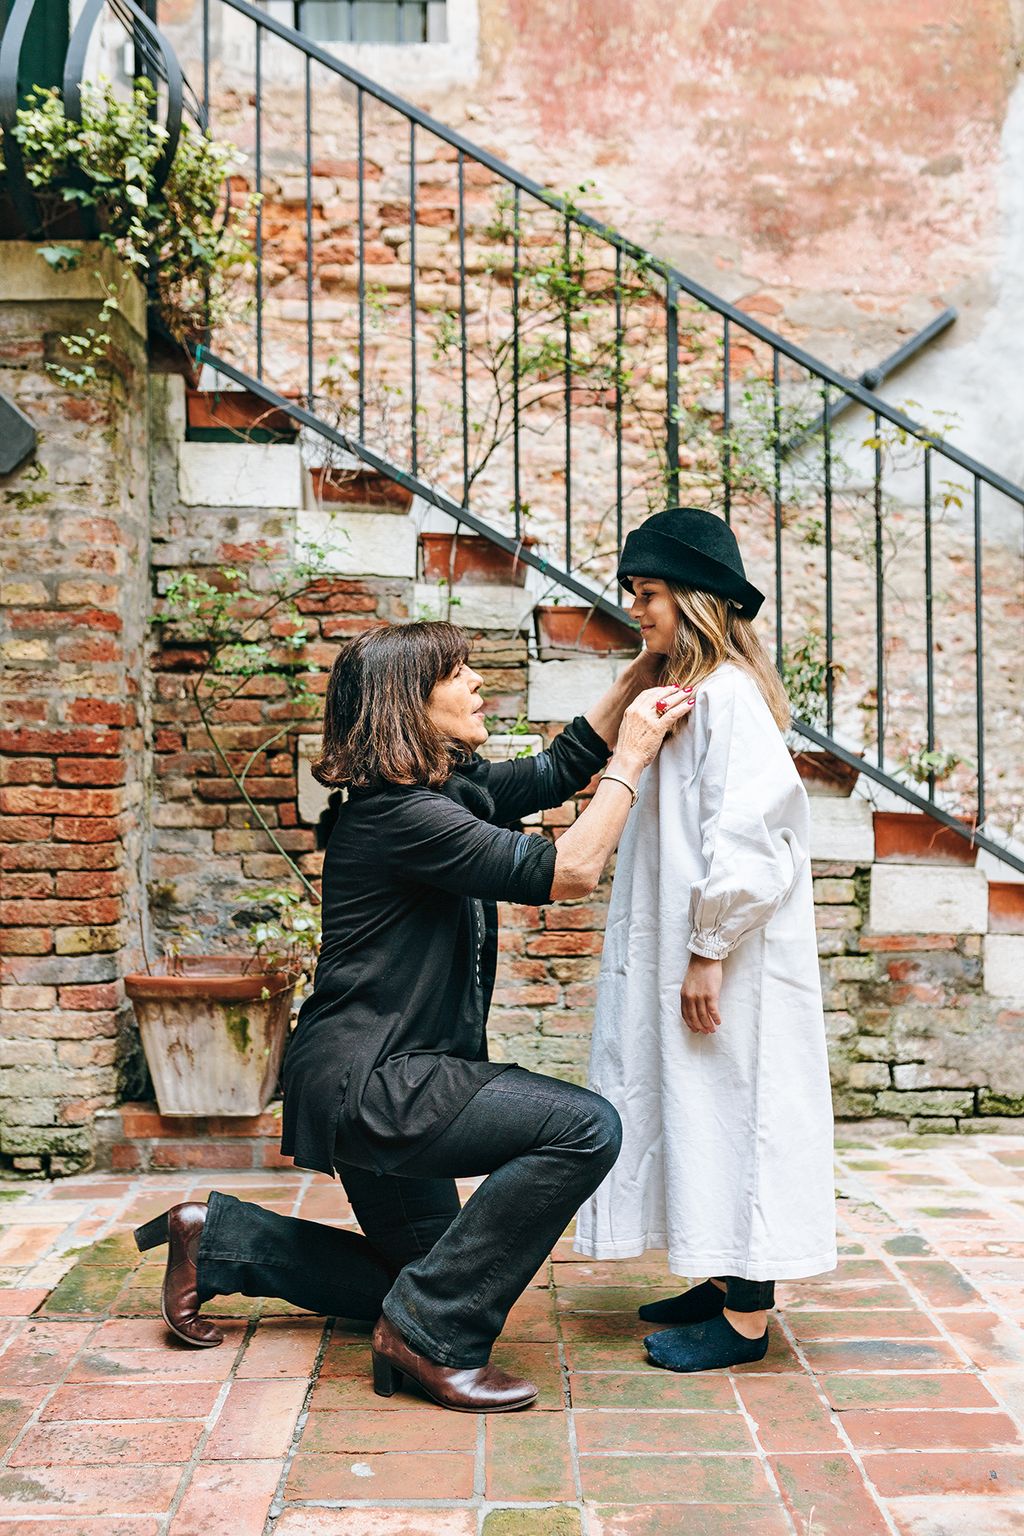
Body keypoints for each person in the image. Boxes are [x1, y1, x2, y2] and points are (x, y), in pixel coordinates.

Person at [134, 619, 693, 1413]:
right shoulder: (400, 819)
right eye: (457, 674)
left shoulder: (444, 795)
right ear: (408, 703)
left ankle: (218, 1240)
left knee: (428, 1274)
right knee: (583, 1127)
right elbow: (571, 869)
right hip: (378, 1082)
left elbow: (563, 764)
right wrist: (635, 756)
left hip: (363, 1075)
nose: (476, 683)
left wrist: (646, 666)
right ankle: (429, 1341)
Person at [574, 508, 837, 1373]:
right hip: (695, 946)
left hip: (729, 959)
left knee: (740, 1108)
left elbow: (755, 842)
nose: (636, 611)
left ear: (693, 600)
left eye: (648, 595)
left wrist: (708, 951)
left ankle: (748, 1318)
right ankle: (721, 1277)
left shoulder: (729, 700)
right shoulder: (699, 693)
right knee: (693, 1105)